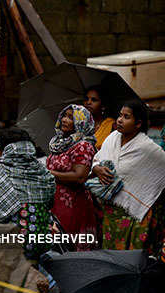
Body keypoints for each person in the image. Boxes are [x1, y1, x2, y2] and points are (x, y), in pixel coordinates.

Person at [91, 101, 165, 259]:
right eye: (120, 115)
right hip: (109, 214)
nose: (119, 120)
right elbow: (96, 159)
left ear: (138, 124)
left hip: (134, 216)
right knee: (110, 257)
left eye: (126, 117)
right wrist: (96, 168)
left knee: (130, 260)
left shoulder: (147, 148)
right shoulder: (112, 138)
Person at [0, 128, 55, 260]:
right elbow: (50, 203)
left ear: (4, 150)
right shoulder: (43, 171)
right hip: (41, 243)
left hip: (9, 244)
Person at [46, 105, 98, 250]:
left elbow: (79, 176)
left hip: (72, 204)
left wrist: (48, 173)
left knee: (68, 246)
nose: (64, 120)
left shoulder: (83, 146)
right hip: (54, 203)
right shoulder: (59, 143)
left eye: (71, 117)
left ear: (81, 123)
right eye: (64, 115)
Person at [84, 85, 115, 150]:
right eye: (86, 99)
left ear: (103, 106)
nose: (88, 102)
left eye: (94, 100)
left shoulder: (111, 125)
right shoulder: (79, 123)